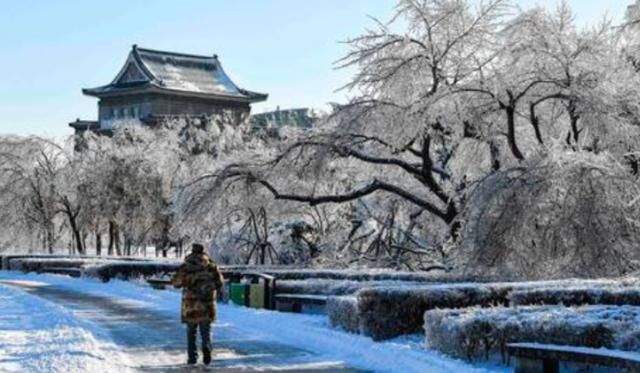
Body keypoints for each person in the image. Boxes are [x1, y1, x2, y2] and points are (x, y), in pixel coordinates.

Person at [171, 243, 224, 365]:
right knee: (206, 330)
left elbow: (175, 282)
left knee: (191, 332)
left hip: (190, 305)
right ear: (203, 251)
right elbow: (220, 282)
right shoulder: (211, 266)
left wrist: (188, 281)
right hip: (207, 304)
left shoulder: (185, 266)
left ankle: (192, 357)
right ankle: (207, 347)